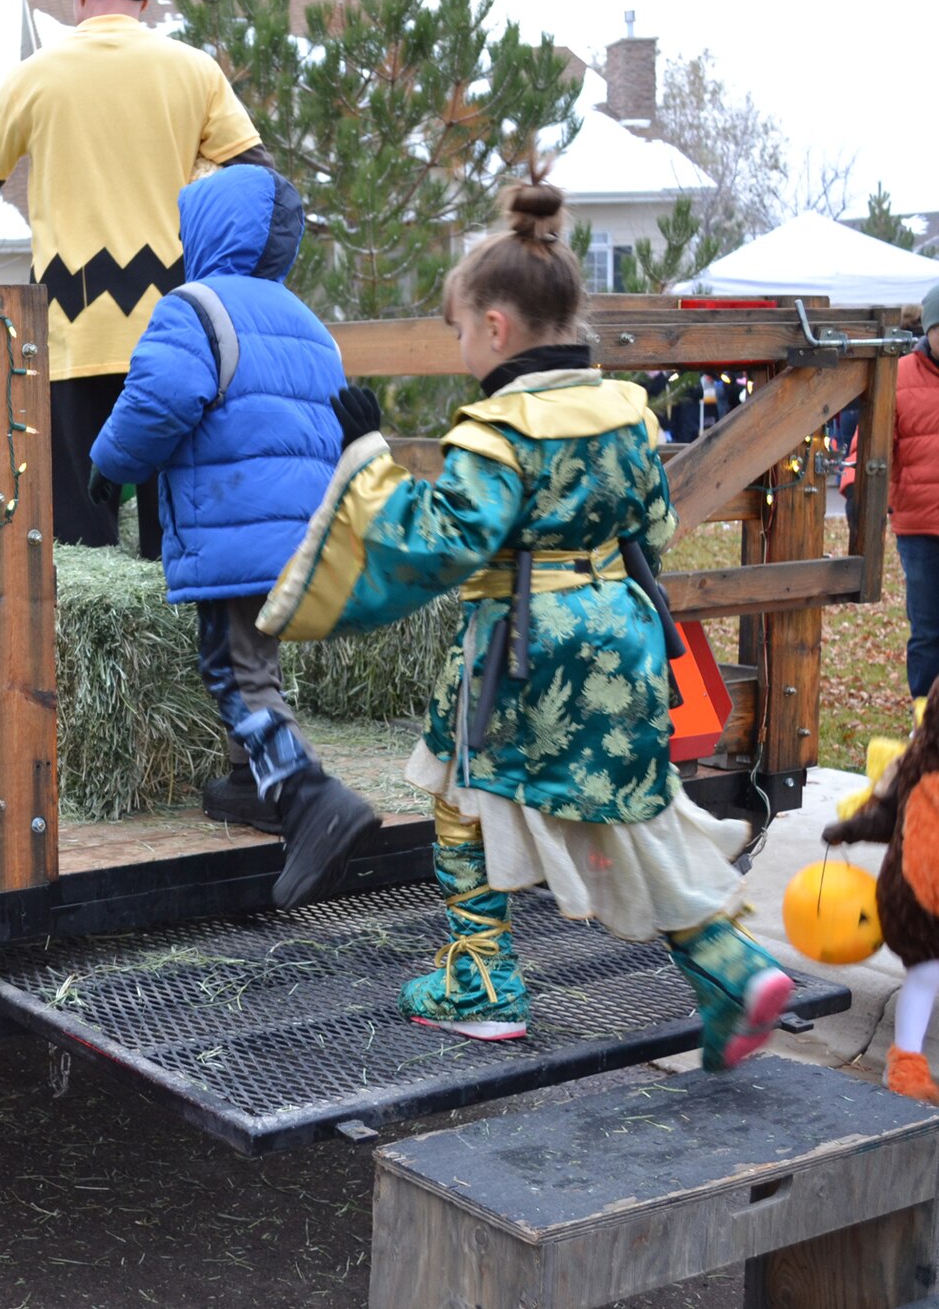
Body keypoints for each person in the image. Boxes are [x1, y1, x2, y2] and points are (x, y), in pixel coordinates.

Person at [259, 171, 794, 1068]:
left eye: (460, 329)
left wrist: (367, 457)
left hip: (523, 648)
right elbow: (655, 524)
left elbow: (440, 543)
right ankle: (731, 964)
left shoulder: (497, 431)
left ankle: (481, 981)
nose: (461, 344)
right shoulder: (623, 411)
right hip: (622, 636)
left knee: (456, 790)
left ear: (496, 328)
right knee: (632, 809)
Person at [0, 0, 280, 553]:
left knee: (77, 537)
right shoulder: (195, 72)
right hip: (176, 333)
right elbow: (260, 184)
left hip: (69, 332)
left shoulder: (36, 75)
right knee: (176, 528)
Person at [88, 165, 381, 902]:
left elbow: (160, 399)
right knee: (258, 662)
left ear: (207, 231)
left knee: (232, 669)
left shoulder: (196, 307)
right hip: (302, 534)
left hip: (236, 529)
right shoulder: (306, 321)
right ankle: (260, 783)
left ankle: (311, 799)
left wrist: (108, 467)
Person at [891, 283, 939, 700]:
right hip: (920, 526)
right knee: (927, 629)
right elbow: (872, 441)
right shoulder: (901, 374)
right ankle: (924, 719)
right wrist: (854, 490)